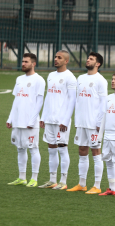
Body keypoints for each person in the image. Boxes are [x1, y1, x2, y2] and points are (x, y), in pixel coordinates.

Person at [67, 52, 107, 194]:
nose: (88, 60)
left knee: (96, 153)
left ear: (98, 64)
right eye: (88, 58)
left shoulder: (101, 80)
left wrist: (99, 122)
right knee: (82, 151)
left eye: (91, 59)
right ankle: (82, 184)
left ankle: (97, 185)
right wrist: (77, 119)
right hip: (81, 122)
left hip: (94, 124)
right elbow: (78, 100)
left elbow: (103, 103)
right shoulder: (81, 78)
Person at [38, 50, 77, 190]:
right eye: (55, 57)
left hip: (61, 120)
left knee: (62, 149)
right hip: (49, 119)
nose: (56, 59)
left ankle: (63, 181)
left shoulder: (70, 77)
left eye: (59, 57)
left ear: (66, 61)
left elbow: (72, 100)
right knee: (51, 149)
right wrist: (43, 117)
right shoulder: (50, 75)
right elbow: (48, 97)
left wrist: (66, 120)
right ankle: (52, 180)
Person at [7, 53, 45, 187]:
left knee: (33, 149)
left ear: (33, 64)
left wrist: (32, 120)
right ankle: (21, 177)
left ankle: (34, 178)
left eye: (26, 62)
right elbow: (16, 101)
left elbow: (40, 102)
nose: (23, 64)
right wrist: (10, 118)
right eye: (22, 61)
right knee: (20, 149)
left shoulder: (39, 80)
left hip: (30, 122)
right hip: (18, 121)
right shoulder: (19, 79)